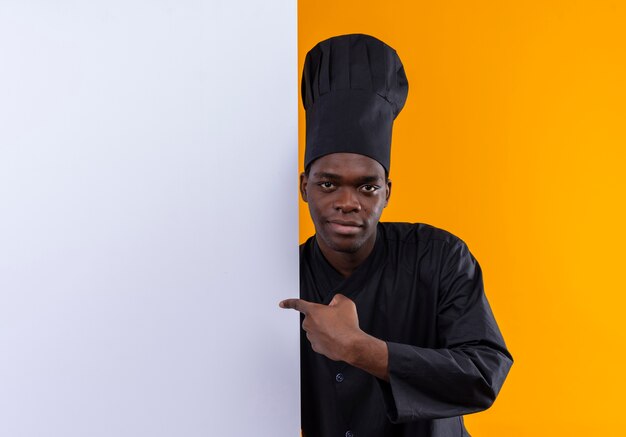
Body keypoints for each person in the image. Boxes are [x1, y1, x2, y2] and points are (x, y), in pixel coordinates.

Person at [280, 33, 513, 437]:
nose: (348, 202)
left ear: (387, 191)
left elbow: (484, 373)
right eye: (328, 184)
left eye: (367, 186)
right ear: (304, 187)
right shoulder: (280, 273)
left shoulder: (440, 258)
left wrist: (362, 350)